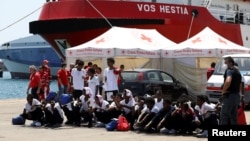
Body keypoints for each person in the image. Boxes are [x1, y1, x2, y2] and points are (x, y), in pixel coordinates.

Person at [220, 56, 242, 125]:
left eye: (225, 63)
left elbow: (228, 80)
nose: (224, 64)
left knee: (224, 116)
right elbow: (240, 84)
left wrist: (223, 90)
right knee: (233, 116)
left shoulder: (229, 70)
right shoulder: (237, 71)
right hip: (236, 96)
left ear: (230, 63)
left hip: (229, 96)